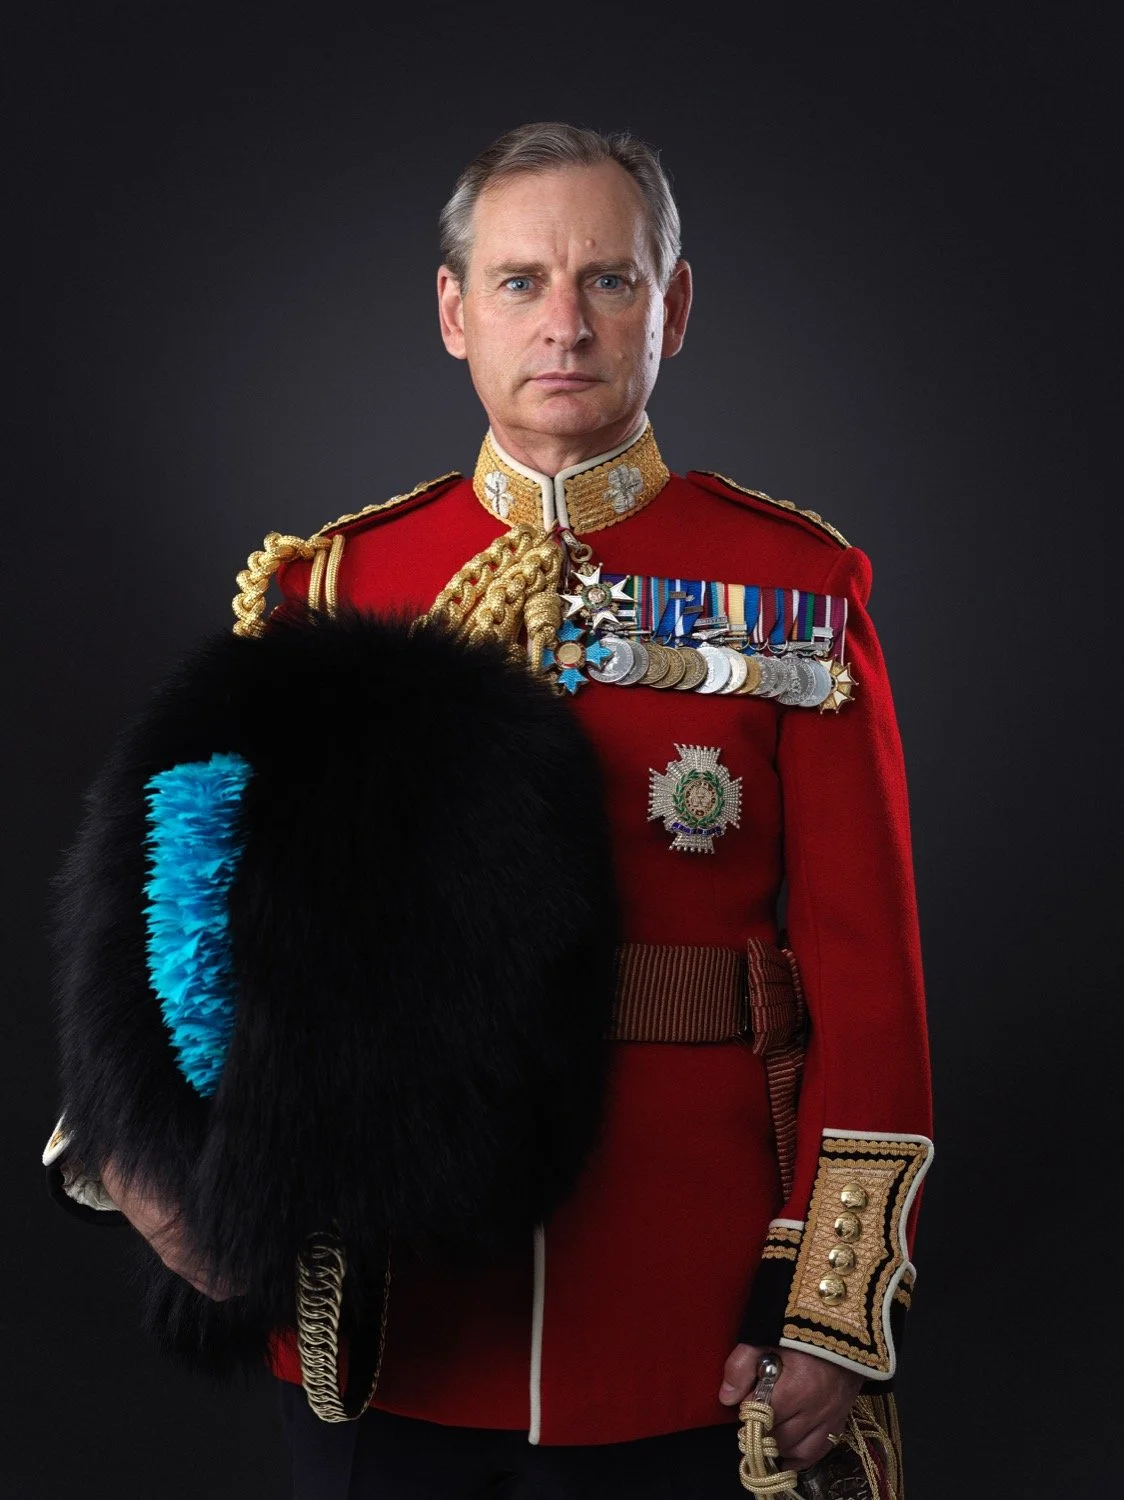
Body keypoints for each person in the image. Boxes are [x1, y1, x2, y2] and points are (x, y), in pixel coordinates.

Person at [44, 123, 933, 1499]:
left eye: (611, 282)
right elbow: (184, 928)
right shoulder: (334, 589)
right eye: (520, 282)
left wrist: (829, 1310)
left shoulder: (793, 589)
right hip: (389, 1300)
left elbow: (870, 993)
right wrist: (143, 1135)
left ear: (676, 307)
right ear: (455, 313)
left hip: (679, 1311)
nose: (564, 323)